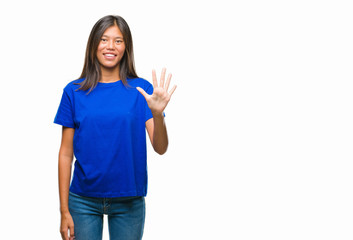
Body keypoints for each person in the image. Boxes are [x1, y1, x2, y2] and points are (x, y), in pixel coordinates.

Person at [54, 15, 176, 240]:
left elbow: (160, 147)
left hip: (129, 199)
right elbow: (65, 154)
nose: (110, 46)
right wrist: (63, 211)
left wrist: (158, 115)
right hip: (82, 200)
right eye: (104, 39)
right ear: (94, 45)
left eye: (118, 41)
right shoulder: (73, 91)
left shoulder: (142, 90)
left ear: (126, 47)